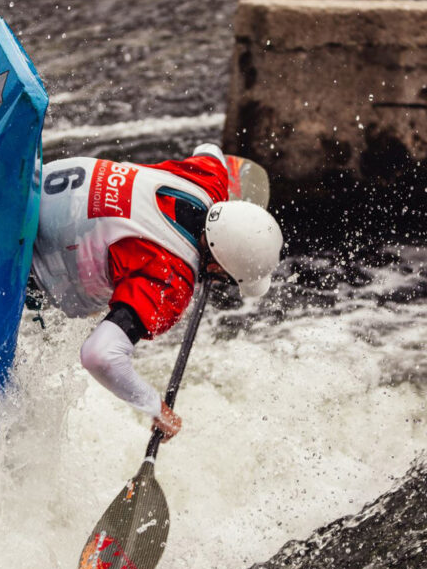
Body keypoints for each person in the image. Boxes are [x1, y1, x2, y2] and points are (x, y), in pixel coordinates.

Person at [29, 144, 283, 442]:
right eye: (225, 277)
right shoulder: (170, 279)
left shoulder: (209, 180)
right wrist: (154, 406)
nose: (218, 280)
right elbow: (99, 355)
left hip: (29, 187)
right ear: (217, 265)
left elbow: (210, 149)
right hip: (20, 258)